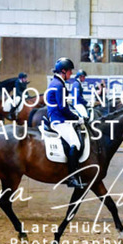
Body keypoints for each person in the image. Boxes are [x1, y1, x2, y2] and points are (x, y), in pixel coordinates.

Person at [46, 57, 83, 188]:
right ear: (63, 71)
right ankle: (71, 177)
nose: (71, 73)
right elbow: (62, 108)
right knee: (75, 143)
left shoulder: (56, 83)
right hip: (59, 120)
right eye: (70, 71)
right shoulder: (59, 85)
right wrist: (76, 117)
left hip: (58, 117)